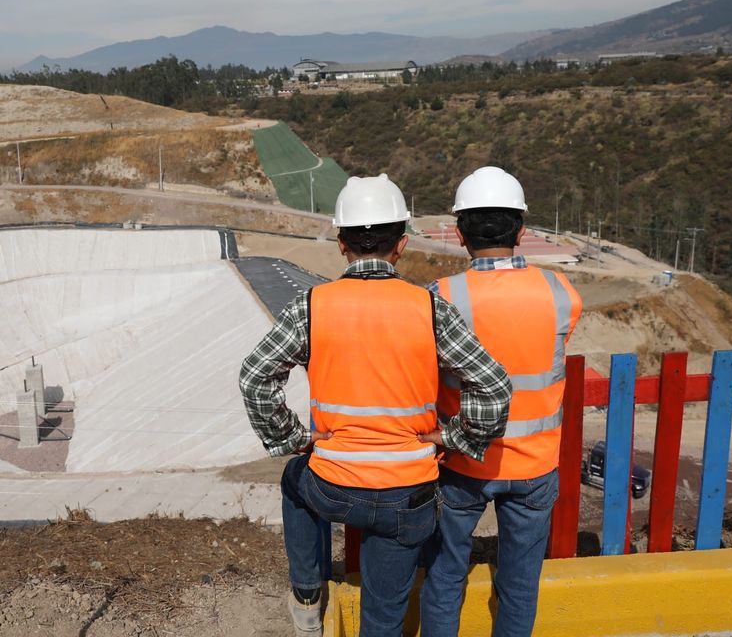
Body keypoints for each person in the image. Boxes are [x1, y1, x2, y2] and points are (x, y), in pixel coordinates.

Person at [239, 174, 513, 637]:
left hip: (333, 487)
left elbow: (255, 376)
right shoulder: (429, 308)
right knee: (384, 620)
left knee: (293, 477)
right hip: (408, 496)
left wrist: (293, 437)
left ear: (342, 244)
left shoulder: (311, 305)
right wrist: (455, 437)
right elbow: (494, 386)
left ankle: (307, 594)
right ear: (401, 245)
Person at [419, 166, 583, 637]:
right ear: (523, 230)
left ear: (459, 232)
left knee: (446, 574)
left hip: (464, 461)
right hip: (535, 467)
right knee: (520, 581)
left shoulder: (443, 296)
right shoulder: (561, 293)